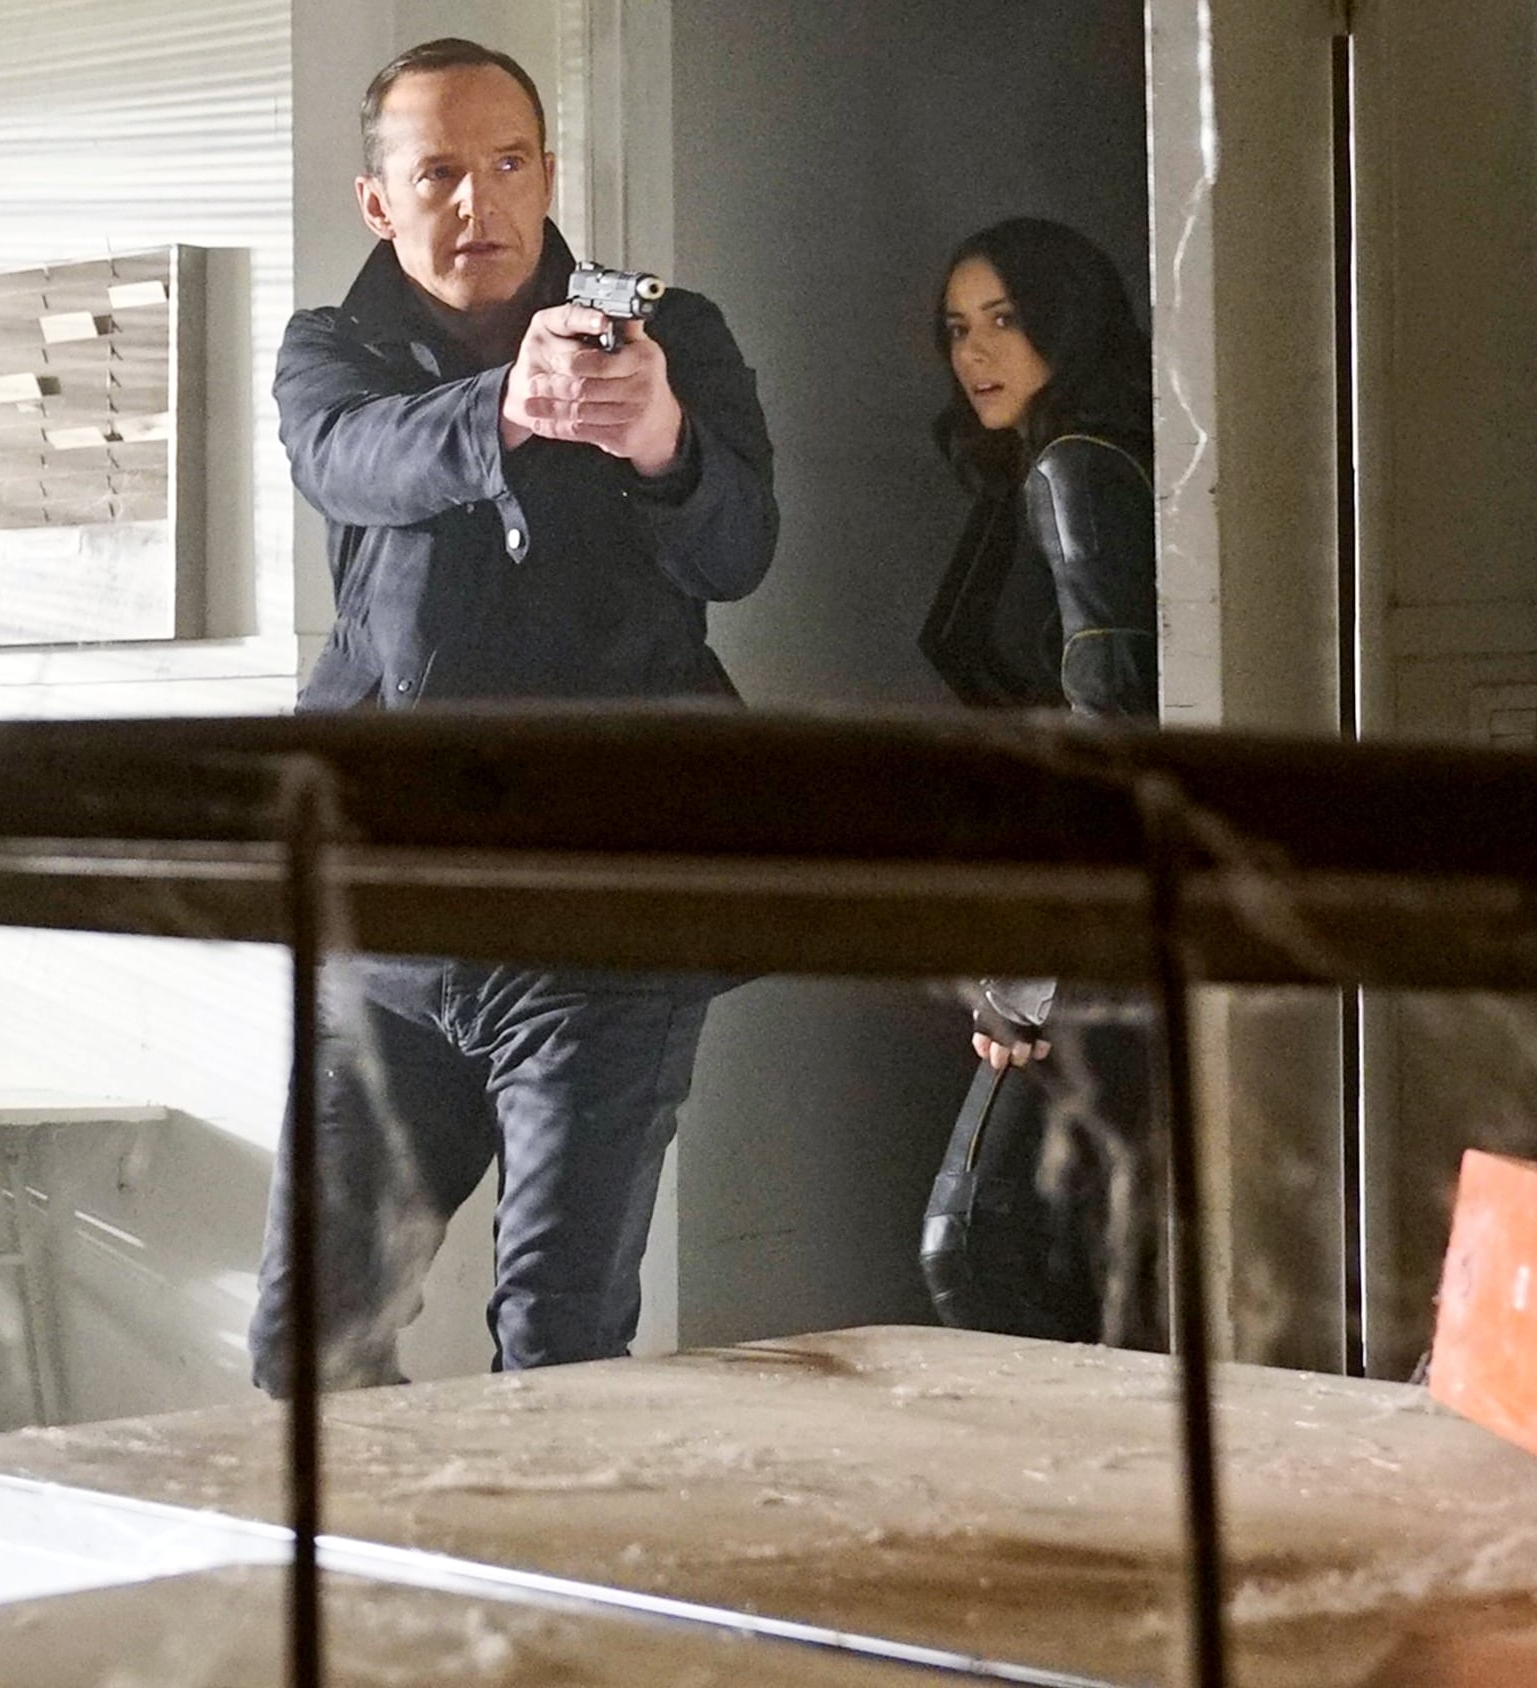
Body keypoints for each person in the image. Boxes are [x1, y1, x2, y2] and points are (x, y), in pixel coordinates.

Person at [250, 38, 779, 1394]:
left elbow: (740, 554)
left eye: (506, 164)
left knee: (559, 1349)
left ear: (547, 173)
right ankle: (384, 1545)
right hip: (389, 924)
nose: (477, 202)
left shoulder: (673, 334)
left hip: (604, 916)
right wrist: (508, 406)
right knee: (306, 1348)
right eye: (438, 173)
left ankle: (545, 1551)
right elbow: (348, 462)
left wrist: (663, 441)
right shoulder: (331, 351)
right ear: (379, 200)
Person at [910, 217, 1165, 1350]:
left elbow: (1114, 730)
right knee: (1092, 1263)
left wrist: (1033, 968)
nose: (974, 352)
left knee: (974, 1245)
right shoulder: (1043, 467)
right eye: (957, 328)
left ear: (1068, 324)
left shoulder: (1077, 470)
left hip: (1095, 932)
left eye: (1004, 320)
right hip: (1100, 918)